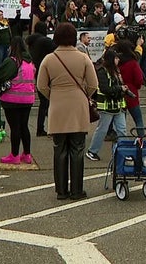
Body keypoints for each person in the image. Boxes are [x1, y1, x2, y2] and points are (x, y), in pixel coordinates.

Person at [36, 22, 98, 200]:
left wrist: (54, 95)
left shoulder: (49, 59)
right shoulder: (83, 58)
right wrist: (83, 94)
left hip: (57, 105)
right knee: (77, 149)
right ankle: (77, 190)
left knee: (59, 149)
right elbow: (93, 84)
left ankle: (61, 190)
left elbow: (41, 86)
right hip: (78, 105)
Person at [0, 37, 36, 165]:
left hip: (12, 98)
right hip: (28, 98)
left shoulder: (12, 61)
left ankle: (14, 155)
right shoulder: (30, 63)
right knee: (24, 126)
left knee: (15, 127)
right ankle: (27, 154)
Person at [86, 48, 128, 162]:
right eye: (116, 57)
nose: (118, 59)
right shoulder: (102, 72)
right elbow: (105, 89)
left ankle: (123, 152)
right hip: (106, 106)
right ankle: (92, 151)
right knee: (102, 130)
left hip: (117, 105)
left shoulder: (116, 71)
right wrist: (120, 88)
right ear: (111, 59)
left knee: (122, 130)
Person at [27, 21, 57, 136]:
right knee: (47, 102)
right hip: (46, 71)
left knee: (44, 102)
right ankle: (45, 127)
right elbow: (56, 48)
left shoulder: (33, 41)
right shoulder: (45, 41)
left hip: (37, 71)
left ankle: (41, 127)